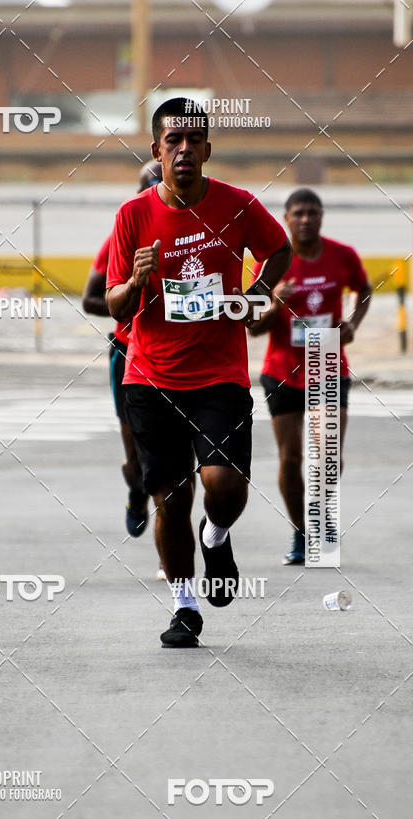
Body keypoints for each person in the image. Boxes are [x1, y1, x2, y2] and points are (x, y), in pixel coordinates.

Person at [106, 97, 292, 648]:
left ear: (208, 150)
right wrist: (136, 284)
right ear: (156, 150)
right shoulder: (133, 215)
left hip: (220, 374)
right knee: (171, 497)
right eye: (173, 141)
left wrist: (253, 292)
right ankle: (184, 606)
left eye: (194, 141)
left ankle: (217, 536)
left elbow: (278, 250)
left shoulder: (236, 204)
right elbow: (114, 305)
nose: (183, 150)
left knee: (224, 486)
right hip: (152, 376)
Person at [250, 188, 372, 564]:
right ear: (285, 219)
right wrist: (275, 302)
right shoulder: (271, 264)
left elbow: (364, 290)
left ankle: (321, 515)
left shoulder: (342, 255)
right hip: (282, 371)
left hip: (328, 366)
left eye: (312, 213)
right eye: (298, 213)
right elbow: (253, 328)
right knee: (290, 458)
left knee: (328, 454)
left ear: (321, 217)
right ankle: (302, 533)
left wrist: (351, 323)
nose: (305, 219)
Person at [82, 161, 162, 546]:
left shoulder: (197, 231)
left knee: (175, 453)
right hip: (128, 353)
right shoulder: (123, 234)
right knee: (137, 457)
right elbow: (90, 298)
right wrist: (129, 295)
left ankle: (172, 542)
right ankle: (136, 491)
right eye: (150, 187)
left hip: (179, 353)